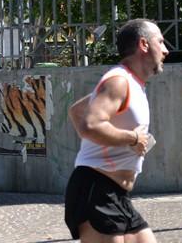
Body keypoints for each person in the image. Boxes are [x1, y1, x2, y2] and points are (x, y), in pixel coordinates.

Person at [65, 19, 168, 243]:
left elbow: (76, 111)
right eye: (160, 42)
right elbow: (89, 125)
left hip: (116, 193)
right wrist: (132, 139)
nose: (166, 50)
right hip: (95, 189)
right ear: (144, 44)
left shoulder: (131, 83)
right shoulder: (119, 81)